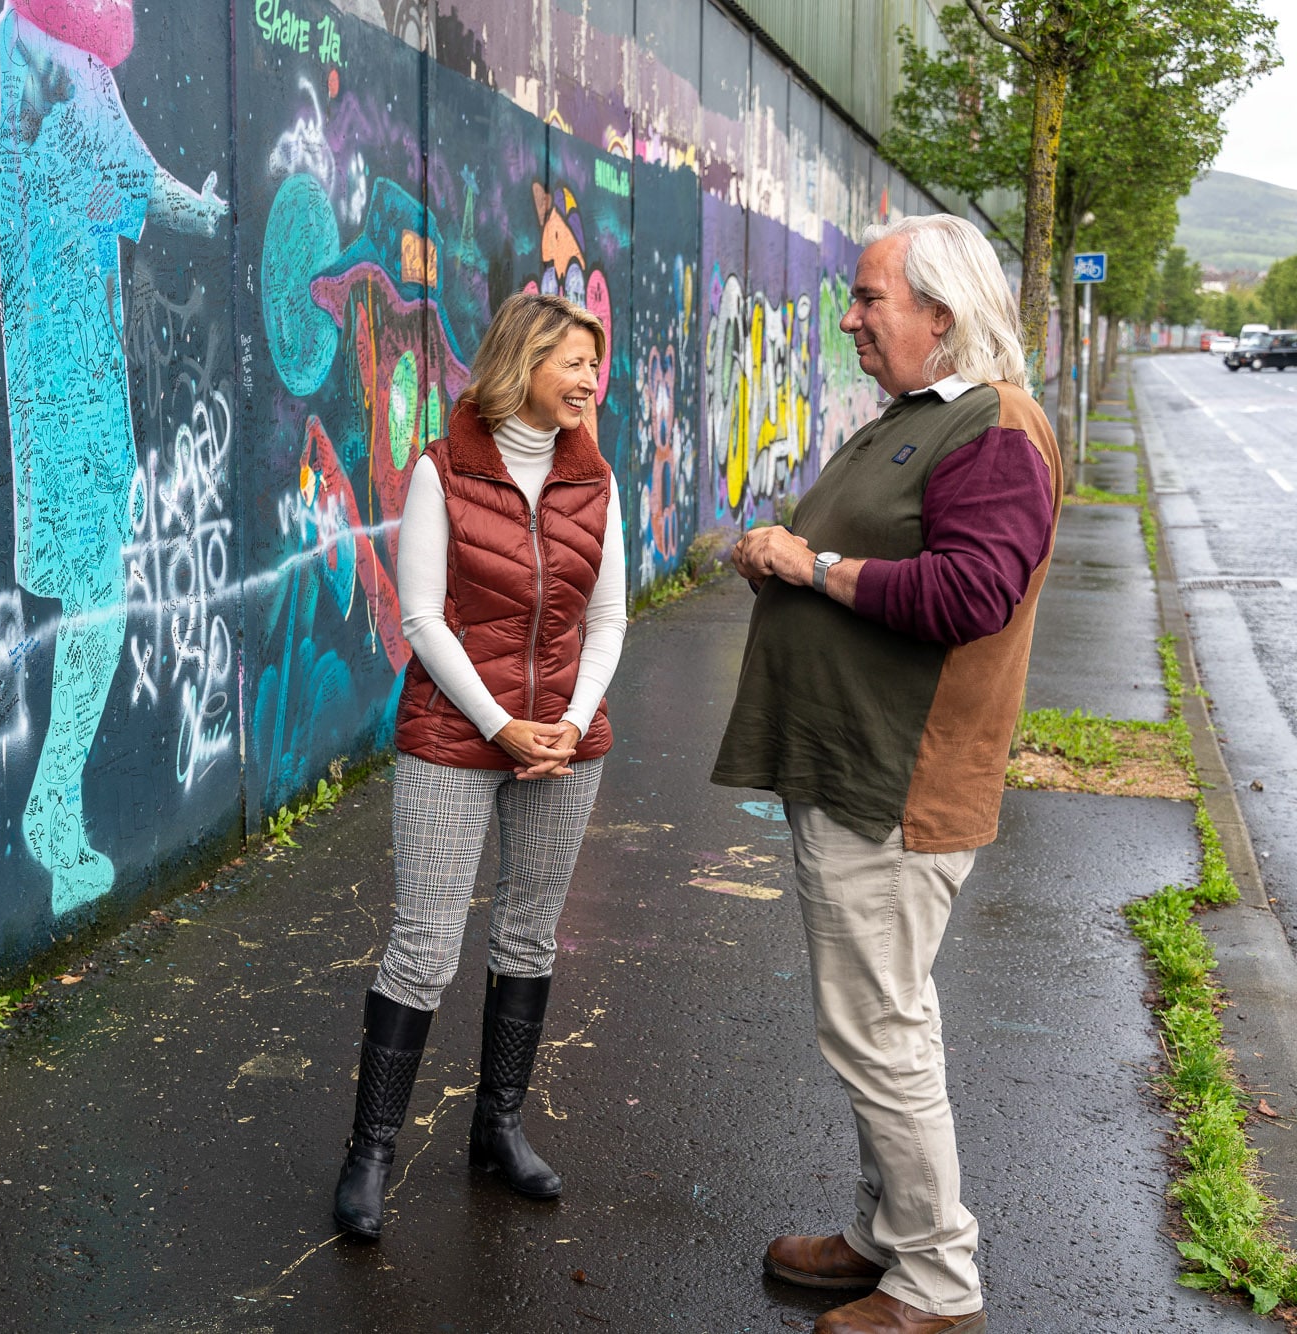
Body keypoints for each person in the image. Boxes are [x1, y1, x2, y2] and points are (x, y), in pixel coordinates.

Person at [712, 214, 1061, 1333]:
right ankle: (883, 1234)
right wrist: (787, 560)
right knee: (869, 1016)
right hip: (850, 763)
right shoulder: (921, 417)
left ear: (939, 316)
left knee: (878, 1026)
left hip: (898, 781)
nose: (850, 319)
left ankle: (933, 1280)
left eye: (869, 300)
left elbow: (968, 594)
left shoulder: (993, 430)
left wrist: (805, 561)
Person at [332, 292, 629, 1240]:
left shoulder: (597, 480)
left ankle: (497, 1128)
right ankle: (371, 1152)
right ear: (522, 363)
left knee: (530, 939)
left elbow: (609, 618)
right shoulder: (444, 470)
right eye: (572, 362)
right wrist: (503, 723)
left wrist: (571, 725)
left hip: (565, 745)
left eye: (594, 362)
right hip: (456, 737)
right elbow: (424, 619)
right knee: (425, 948)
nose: (590, 378)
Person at [0, 0, 227, 915]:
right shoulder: (57, 55)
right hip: (68, 367)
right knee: (97, 594)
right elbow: (130, 174)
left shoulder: (36, 45)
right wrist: (204, 210)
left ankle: (55, 802)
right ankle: (53, 807)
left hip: (61, 358)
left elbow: (115, 174)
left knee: (87, 589)